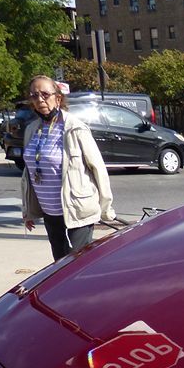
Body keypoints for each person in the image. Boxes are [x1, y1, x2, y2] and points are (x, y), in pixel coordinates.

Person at [20, 76, 115, 260]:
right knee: (59, 264)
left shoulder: (75, 128)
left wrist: (105, 208)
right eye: (35, 95)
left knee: (76, 264)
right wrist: (28, 210)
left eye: (45, 94)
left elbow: (98, 168)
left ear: (58, 97)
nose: (40, 100)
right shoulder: (32, 129)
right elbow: (28, 174)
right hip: (50, 212)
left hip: (77, 211)